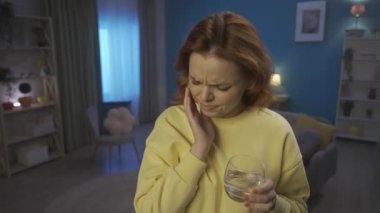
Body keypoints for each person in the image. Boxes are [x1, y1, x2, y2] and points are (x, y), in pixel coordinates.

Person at [134, 11, 309, 212]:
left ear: (250, 80)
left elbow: (299, 206)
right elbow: (147, 209)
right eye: (196, 81)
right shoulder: (170, 124)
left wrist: (275, 205)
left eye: (221, 87)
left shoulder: (278, 131)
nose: (205, 96)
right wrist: (198, 150)